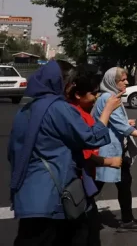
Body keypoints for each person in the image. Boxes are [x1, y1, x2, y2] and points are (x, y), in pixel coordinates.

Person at [8, 60, 124, 246]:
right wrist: (107, 111)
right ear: (62, 83)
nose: (71, 88)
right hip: (54, 195)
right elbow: (91, 138)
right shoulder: (58, 108)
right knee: (81, 235)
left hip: (28, 194)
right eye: (70, 83)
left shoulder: (25, 110)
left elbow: (13, 151)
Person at [92, 67, 137, 233]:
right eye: (122, 80)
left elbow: (115, 122)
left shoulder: (111, 97)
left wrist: (125, 121)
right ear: (112, 82)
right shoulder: (109, 98)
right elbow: (121, 127)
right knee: (95, 186)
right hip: (108, 151)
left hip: (115, 150)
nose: (126, 82)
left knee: (122, 184)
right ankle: (77, 214)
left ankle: (127, 220)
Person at [67, 73, 124, 246]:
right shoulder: (71, 113)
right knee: (85, 229)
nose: (96, 97)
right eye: (93, 93)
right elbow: (91, 140)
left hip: (80, 179)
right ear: (78, 94)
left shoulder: (77, 110)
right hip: (74, 182)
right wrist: (108, 161)